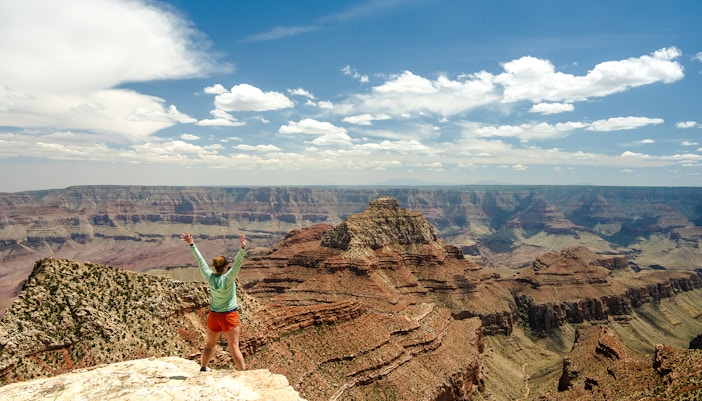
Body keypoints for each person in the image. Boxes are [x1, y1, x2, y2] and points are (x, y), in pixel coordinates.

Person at [180, 232, 247, 371]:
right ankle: (245, 374)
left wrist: (192, 244)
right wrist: (242, 248)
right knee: (234, 347)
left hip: (214, 316)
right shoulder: (229, 279)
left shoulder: (210, 277)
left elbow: (200, 262)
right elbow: (238, 264)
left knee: (209, 345)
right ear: (225, 266)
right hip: (229, 316)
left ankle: (203, 368)